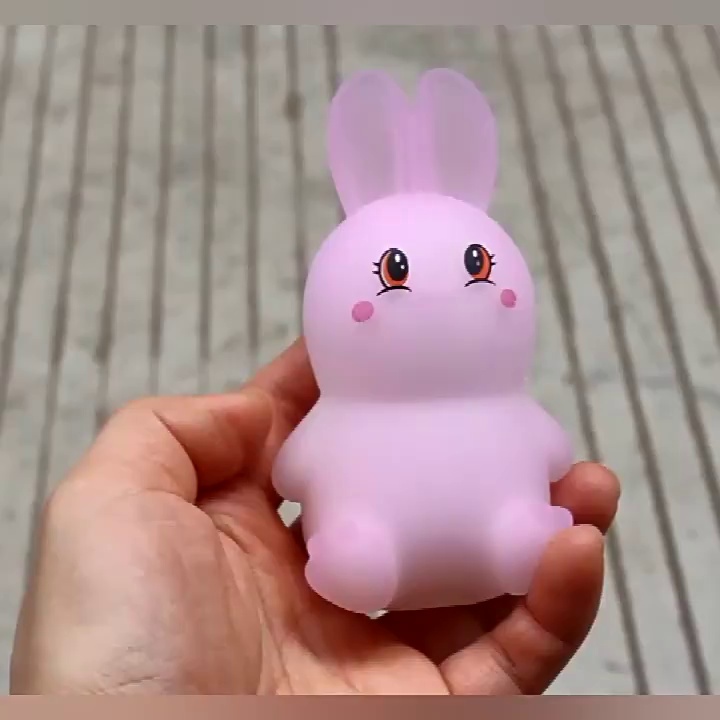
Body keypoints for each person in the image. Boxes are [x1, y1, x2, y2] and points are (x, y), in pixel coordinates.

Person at [10, 338, 620, 695]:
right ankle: (366, 560)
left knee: (536, 537)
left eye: (476, 265)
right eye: (396, 271)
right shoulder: (346, 409)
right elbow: (293, 469)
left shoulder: (501, 403)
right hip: (368, 544)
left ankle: (515, 541)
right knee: (363, 542)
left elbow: (551, 451)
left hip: (497, 521)